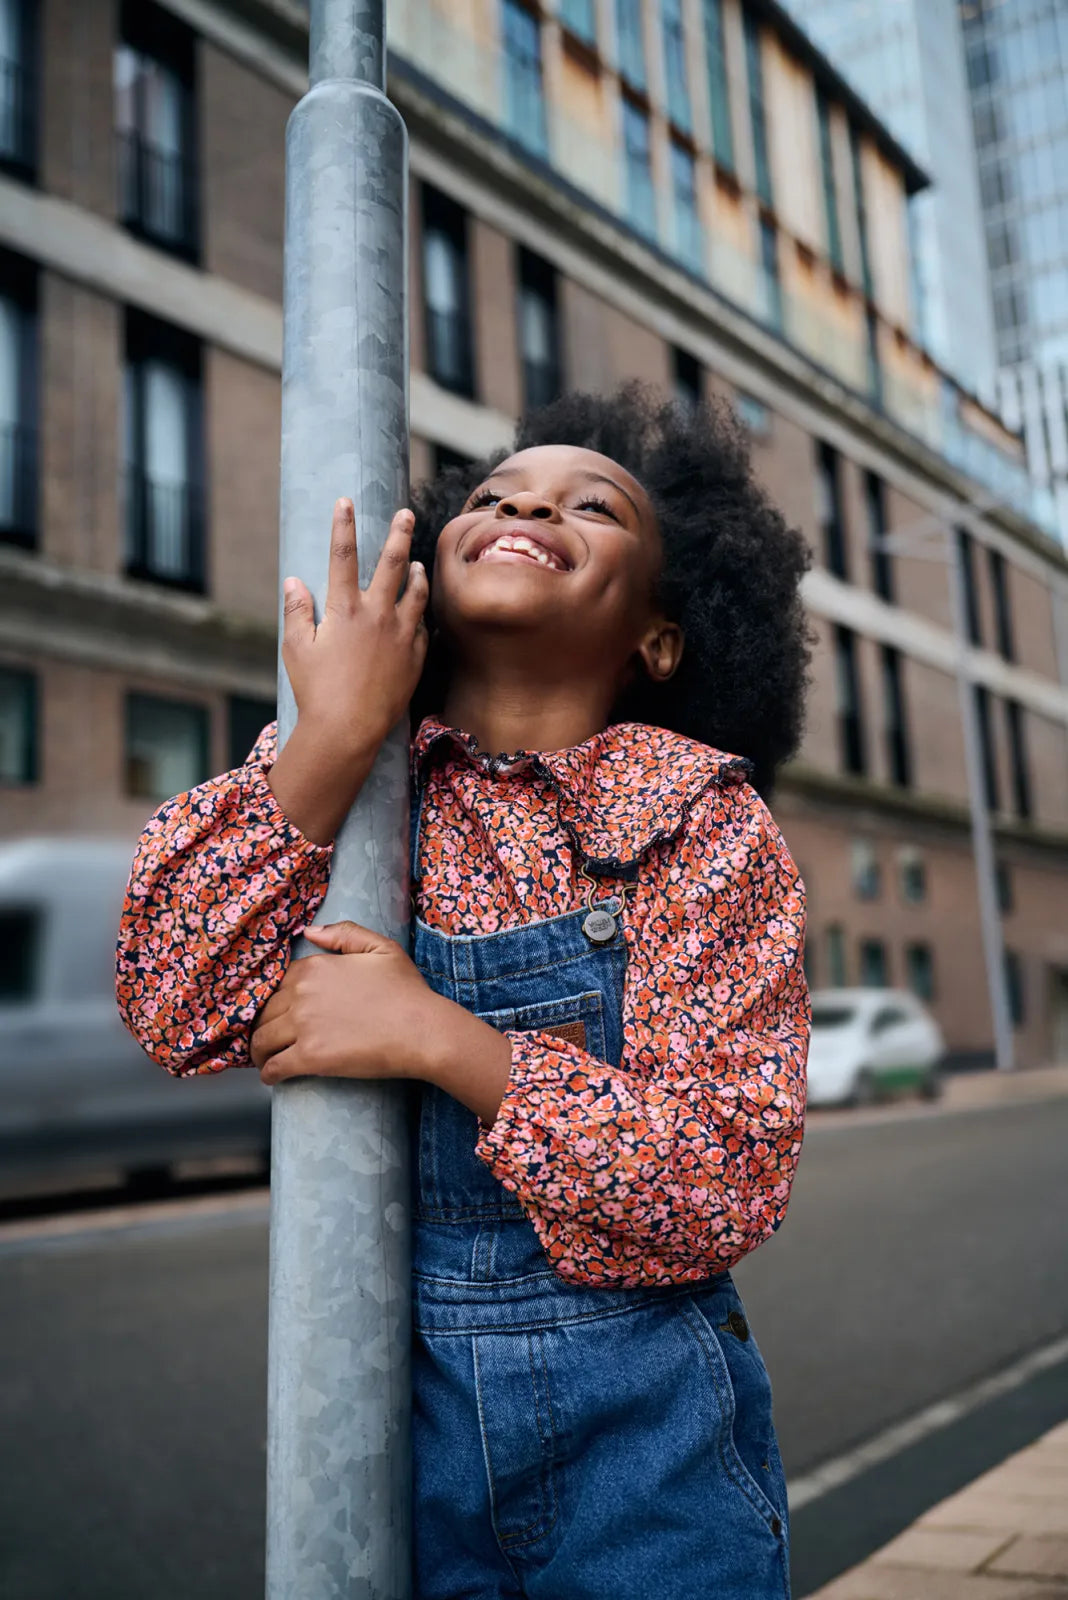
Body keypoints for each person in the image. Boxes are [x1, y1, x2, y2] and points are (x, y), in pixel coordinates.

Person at [117, 383, 812, 1599]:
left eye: (592, 503)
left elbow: (723, 1177)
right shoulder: (351, 782)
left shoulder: (702, 820)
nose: (531, 499)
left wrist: (438, 1038)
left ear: (658, 631)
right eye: (494, 493)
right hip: (399, 1424)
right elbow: (173, 1000)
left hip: (647, 1441)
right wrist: (331, 743)